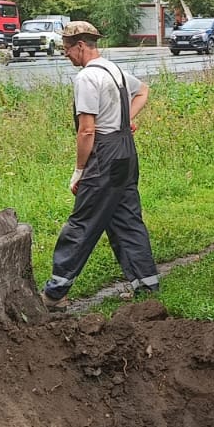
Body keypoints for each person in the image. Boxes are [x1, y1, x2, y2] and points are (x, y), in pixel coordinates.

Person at [40, 21, 159, 306]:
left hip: (104, 155)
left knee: (83, 221)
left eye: (67, 49)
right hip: (126, 153)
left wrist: (79, 170)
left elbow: (87, 130)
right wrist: (126, 120)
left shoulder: (87, 78)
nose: (66, 55)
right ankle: (147, 285)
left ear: (80, 46)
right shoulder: (113, 69)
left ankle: (55, 293)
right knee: (126, 218)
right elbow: (143, 90)